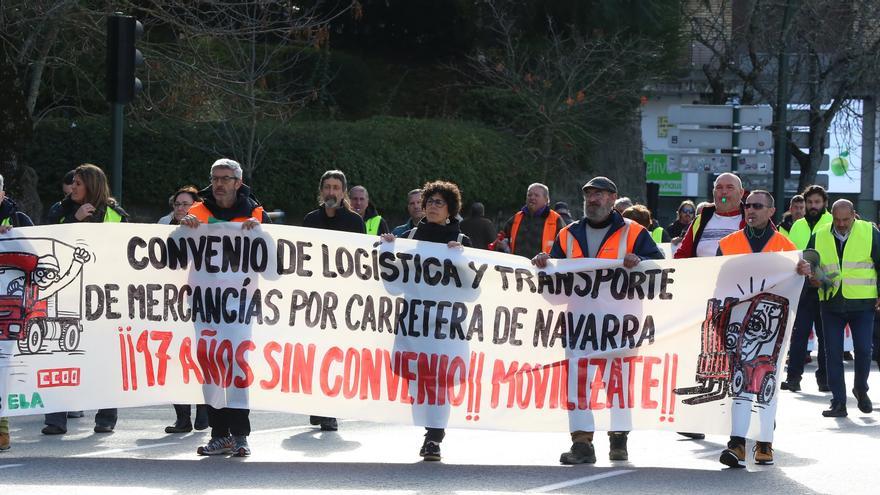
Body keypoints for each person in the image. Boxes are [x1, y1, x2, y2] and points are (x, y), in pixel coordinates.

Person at [532, 176, 663, 464]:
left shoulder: (634, 232)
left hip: (620, 325)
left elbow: (660, 269)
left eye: (599, 194)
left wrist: (640, 262)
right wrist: (544, 264)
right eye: (589, 195)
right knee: (577, 384)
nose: (592, 200)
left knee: (618, 384)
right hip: (580, 324)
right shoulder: (567, 235)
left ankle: (619, 440)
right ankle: (582, 443)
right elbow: (555, 283)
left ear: (613, 198)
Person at [715, 190, 810, 468]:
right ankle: (736, 444)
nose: (750, 210)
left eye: (757, 206)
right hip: (736, 322)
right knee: (739, 383)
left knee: (766, 381)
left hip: (772, 327)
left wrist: (803, 272)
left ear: (771, 211)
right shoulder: (728, 243)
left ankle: (765, 442)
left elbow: (795, 289)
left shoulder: (786, 246)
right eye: (747, 206)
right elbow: (717, 283)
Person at [180, 158, 268, 457]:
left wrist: (259, 233)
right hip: (205, 304)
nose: (218, 183)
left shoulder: (256, 213)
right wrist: (184, 230)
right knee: (211, 365)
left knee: (237, 364)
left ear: (238, 183)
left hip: (240, 304)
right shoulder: (197, 211)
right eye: (215, 178)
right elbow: (176, 252)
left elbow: (271, 260)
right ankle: (219, 434)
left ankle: (240, 435)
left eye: (225, 178)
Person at [380, 180, 472, 461]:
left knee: (440, 382)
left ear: (450, 209)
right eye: (429, 202)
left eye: (438, 203)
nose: (432, 207)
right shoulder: (409, 238)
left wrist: (460, 261)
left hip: (446, 326)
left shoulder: (462, 241)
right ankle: (428, 428)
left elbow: (473, 291)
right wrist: (387, 252)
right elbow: (394, 286)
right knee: (417, 382)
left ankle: (434, 437)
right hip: (415, 324)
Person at [43, 164, 128, 435]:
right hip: (67, 294)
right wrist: (74, 220)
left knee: (105, 359)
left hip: (103, 298)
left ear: (92, 185)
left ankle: (106, 417)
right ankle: (55, 420)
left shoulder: (116, 215)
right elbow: (46, 242)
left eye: (79, 183)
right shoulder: (59, 210)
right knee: (60, 357)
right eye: (73, 183)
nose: (73, 187)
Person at [303, 170, 365, 431]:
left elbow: (361, 259)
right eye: (327, 187)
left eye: (336, 188)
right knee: (315, 352)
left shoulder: (354, 221)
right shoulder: (310, 219)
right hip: (314, 297)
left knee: (334, 354)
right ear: (321, 191)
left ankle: (330, 409)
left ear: (343, 192)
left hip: (342, 299)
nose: (331, 192)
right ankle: (317, 405)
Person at [805, 199, 879, 418]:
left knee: (864, 351)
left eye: (846, 219)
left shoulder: (869, 232)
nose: (841, 224)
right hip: (831, 302)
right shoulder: (819, 235)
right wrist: (814, 278)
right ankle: (838, 402)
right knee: (833, 353)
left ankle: (861, 389)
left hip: (863, 302)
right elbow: (810, 264)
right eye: (837, 219)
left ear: (854, 215)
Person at [157, 185, 208, 433]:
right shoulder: (163, 228)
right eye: (177, 204)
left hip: (199, 302)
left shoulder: (207, 229)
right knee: (175, 359)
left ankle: (204, 410)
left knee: (200, 357)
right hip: (171, 305)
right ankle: (182, 417)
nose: (180, 208)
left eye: (186, 204)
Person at [782, 185, 833, 393]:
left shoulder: (832, 221)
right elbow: (792, 255)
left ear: (824, 203)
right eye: (809, 202)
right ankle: (793, 378)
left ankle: (825, 380)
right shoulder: (798, 225)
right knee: (799, 335)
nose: (813, 206)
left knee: (826, 337)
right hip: (802, 288)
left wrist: (821, 277)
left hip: (825, 287)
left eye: (817, 202)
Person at [674, 173, 745, 259]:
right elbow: (682, 255)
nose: (724, 192)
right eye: (719, 187)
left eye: (730, 187)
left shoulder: (749, 220)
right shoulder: (700, 220)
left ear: (741, 193)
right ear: (713, 192)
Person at [496, 183, 566, 258]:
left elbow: (565, 248)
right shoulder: (516, 218)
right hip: (517, 264)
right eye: (529, 195)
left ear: (546, 200)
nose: (532, 197)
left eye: (536, 195)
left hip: (545, 265)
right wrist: (502, 246)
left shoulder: (556, 220)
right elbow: (502, 242)